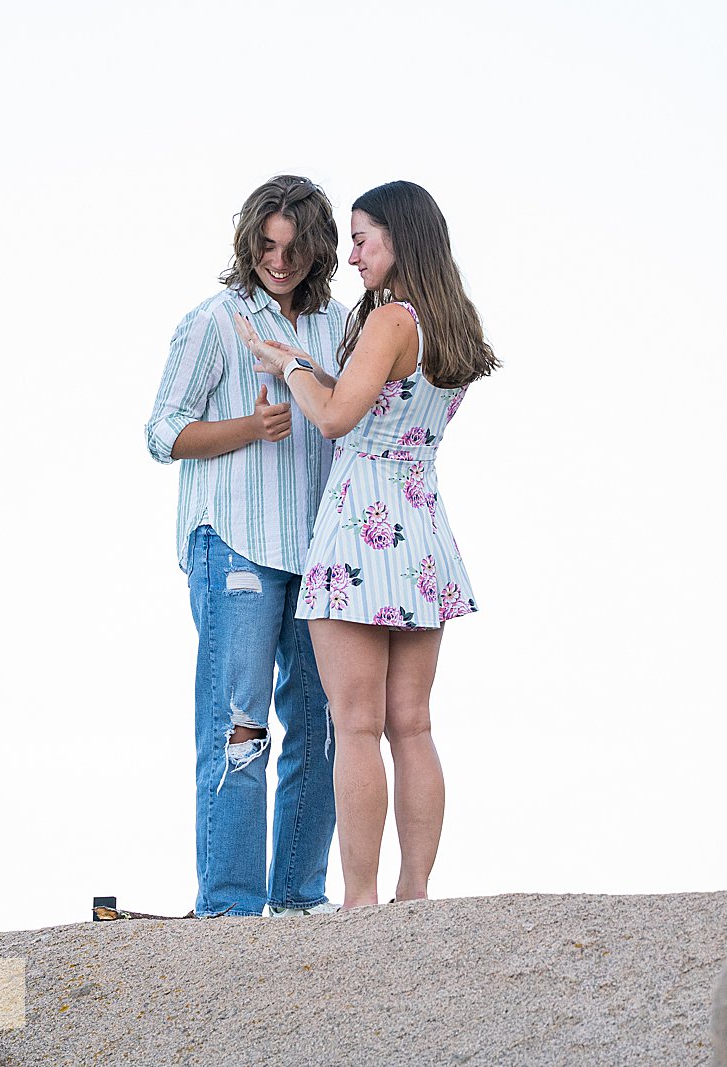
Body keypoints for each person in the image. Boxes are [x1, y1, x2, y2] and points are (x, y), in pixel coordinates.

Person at [236, 180, 497, 909]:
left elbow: (336, 420)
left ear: (399, 238)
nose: (350, 255)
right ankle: (414, 895)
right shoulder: (451, 324)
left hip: (360, 529)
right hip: (422, 532)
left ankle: (359, 900)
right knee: (412, 724)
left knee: (355, 724)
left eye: (361, 238)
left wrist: (287, 367)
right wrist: (310, 368)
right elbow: (372, 400)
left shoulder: (388, 319)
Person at [145, 175, 349, 918]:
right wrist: (247, 429)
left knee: (320, 727)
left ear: (317, 247)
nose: (279, 260)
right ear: (249, 241)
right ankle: (228, 907)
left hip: (322, 554)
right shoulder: (215, 322)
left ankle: (298, 895)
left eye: (294, 247)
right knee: (241, 728)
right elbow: (162, 433)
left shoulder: (340, 325)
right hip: (235, 546)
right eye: (266, 244)